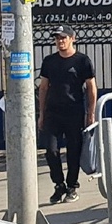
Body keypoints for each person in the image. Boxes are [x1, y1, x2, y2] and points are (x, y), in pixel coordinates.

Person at [37, 24, 97, 204]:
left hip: (74, 112)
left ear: (72, 38)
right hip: (53, 113)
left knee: (73, 151)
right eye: (57, 38)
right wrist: (41, 113)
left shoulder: (82, 61)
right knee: (50, 150)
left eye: (63, 37)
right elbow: (43, 87)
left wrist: (90, 113)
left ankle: (72, 186)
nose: (60, 41)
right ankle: (59, 185)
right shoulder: (49, 61)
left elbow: (91, 88)